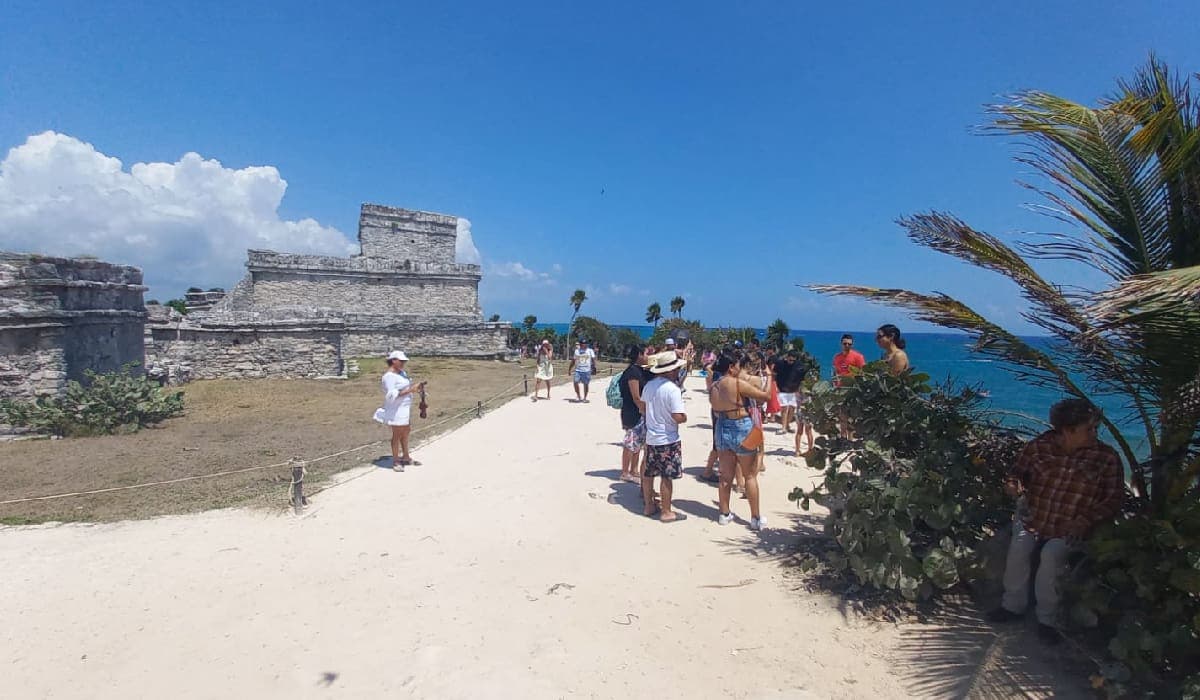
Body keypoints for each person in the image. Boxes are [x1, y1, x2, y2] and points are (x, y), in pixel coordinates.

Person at [988, 399, 1123, 643]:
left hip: (1071, 528)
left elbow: (1113, 500)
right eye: (1089, 429)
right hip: (1035, 518)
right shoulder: (1040, 446)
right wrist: (1013, 485)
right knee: (1020, 547)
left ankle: (1048, 620)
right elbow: (1017, 472)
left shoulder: (1106, 458)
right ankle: (1012, 606)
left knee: (1051, 555)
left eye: (1095, 428)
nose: (1094, 434)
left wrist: (1085, 520)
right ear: (1068, 430)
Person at [709, 350, 774, 530]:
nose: (739, 368)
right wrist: (769, 377)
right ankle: (755, 518)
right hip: (741, 425)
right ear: (731, 367)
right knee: (750, 475)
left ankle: (724, 513)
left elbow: (715, 407)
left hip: (721, 426)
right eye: (737, 365)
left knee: (725, 476)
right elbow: (766, 396)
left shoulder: (714, 386)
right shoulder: (737, 383)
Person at [641, 351, 688, 523]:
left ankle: (648, 505)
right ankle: (666, 511)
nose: (678, 372)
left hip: (651, 437)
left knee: (649, 473)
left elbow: (643, 408)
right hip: (667, 438)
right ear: (670, 371)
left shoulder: (649, 386)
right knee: (666, 476)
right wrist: (684, 417)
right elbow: (678, 416)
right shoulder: (672, 390)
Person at [380, 350, 426, 471]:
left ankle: (406, 456)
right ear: (393, 361)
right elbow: (391, 395)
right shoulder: (389, 377)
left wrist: (417, 389)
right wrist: (411, 390)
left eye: (404, 361)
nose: (403, 363)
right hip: (396, 409)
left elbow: (405, 387)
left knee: (406, 431)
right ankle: (396, 461)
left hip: (404, 407)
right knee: (397, 434)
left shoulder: (402, 373)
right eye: (401, 361)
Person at [618, 344, 650, 483]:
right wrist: (644, 410)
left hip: (638, 412)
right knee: (630, 443)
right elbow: (636, 397)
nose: (648, 356)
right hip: (632, 412)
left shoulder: (640, 370)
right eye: (646, 353)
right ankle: (625, 472)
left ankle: (634, 470)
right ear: (639, 355)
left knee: (638, 443)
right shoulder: (632, 372)